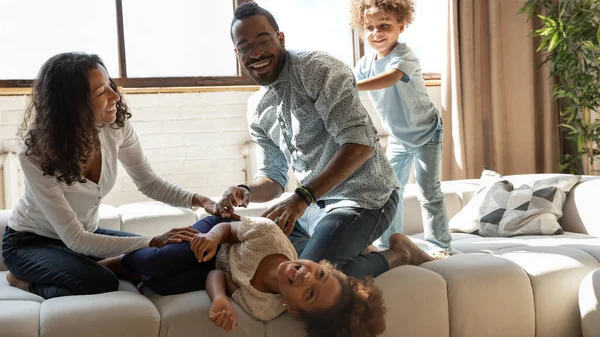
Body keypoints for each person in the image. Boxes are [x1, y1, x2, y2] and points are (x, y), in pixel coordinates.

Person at [1, 52, 216, 299]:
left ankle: (114, 265)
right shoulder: (36, 154)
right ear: (73, 104)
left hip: (87, 236)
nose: (115, 96)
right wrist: (153, 239)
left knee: (159, 260)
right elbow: (75, 239)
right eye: (102, 92)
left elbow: (148, 182)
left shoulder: (115, 127)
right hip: (32, 243)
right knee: (98, 280)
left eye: (110, 86)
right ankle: (21, 281)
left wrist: (203, 201)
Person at [216, 2, 405, 280]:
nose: (255, 53)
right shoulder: (257, 107)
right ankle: (348, 248)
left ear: (280, 38)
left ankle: (401, 253)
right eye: (244, 47)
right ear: (237, 53)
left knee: (307, 277)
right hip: (312, 209)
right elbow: (273, 178)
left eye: (263, 40)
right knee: (255, 253)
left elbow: (360, 143)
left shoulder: (317, 69)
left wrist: (302, 196)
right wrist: (245, 190)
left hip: (364, 198)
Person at [117, 214, 434, 337]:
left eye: (309, 293)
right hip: (219, 235)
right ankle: (112, 260)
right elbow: (227, 228)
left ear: (293, 308)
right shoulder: (269, 237)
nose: (305, 278)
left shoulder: (264, 306)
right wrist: (213, 239)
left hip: (212, 264)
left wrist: (220, 300)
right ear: (322, 264)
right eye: (319, 275)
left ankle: (133, 267)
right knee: (160, 262)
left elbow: (217, 280)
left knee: (162, 284)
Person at [350, 0, 453, 254]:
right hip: (397, 138)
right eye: (370, 27)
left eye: (384, 25)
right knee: (391, 192)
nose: (377, 33)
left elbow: (390, 78)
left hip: (426, 133)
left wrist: (353, 86)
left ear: (401, 25)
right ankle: (389, 243)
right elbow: (346, 82)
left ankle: (440, 246)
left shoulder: (403, 54)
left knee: (429, 192)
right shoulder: (364, 64)